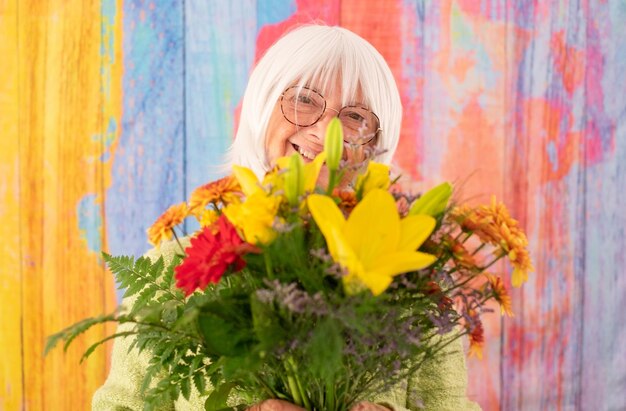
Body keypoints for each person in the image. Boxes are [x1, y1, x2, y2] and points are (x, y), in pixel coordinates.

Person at [93, 25, 481, 411]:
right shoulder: (172, 269)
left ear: (376, 145)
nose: (326, 131)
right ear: (261, 107)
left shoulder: (412, 286)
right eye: (304, 100)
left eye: (355, 117)